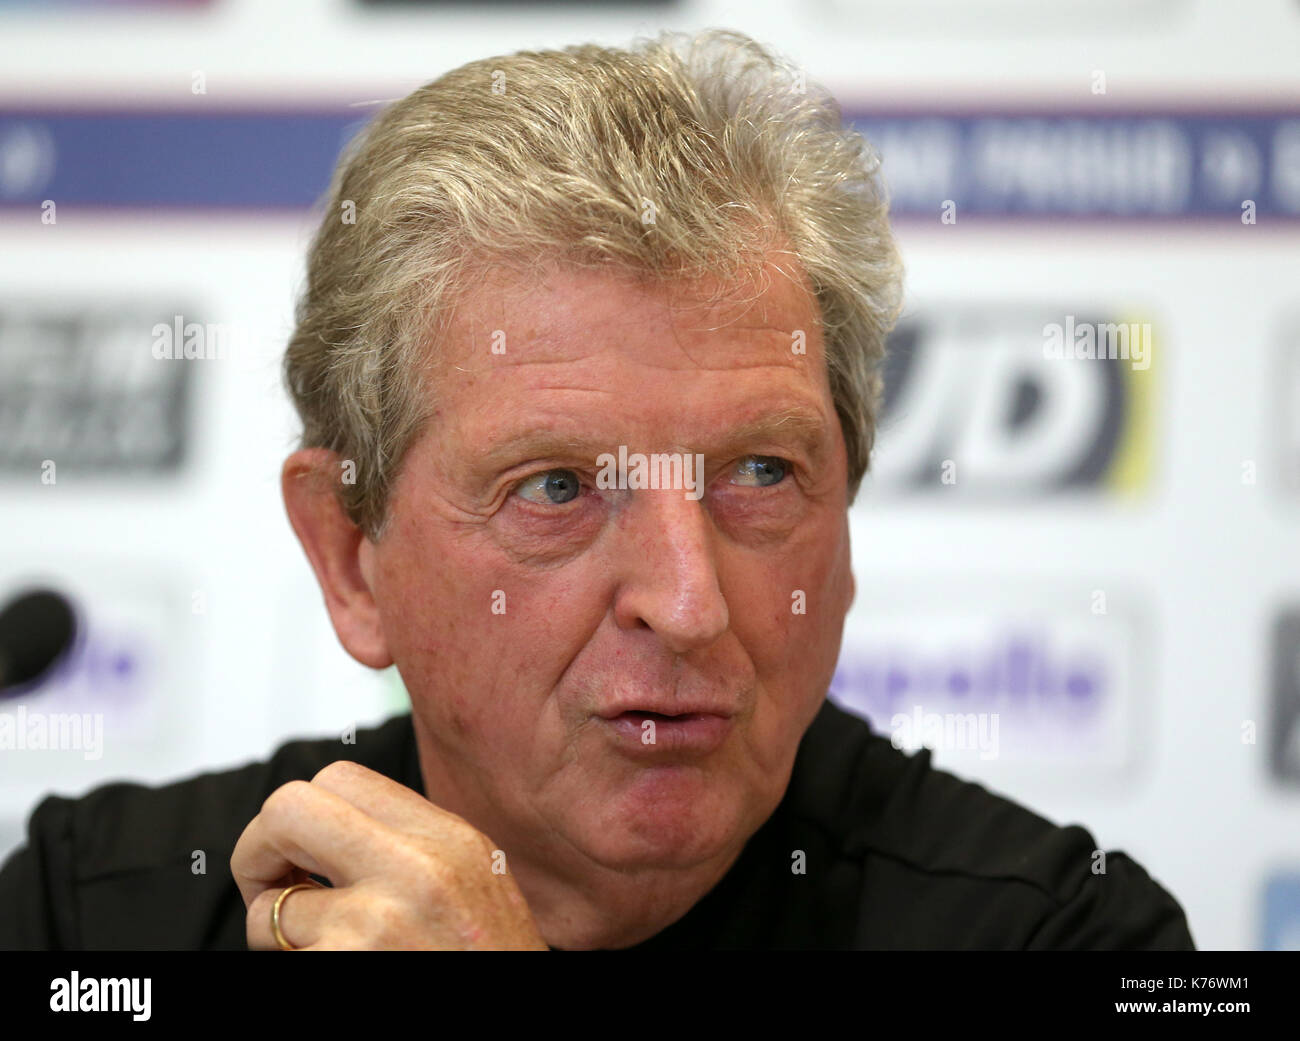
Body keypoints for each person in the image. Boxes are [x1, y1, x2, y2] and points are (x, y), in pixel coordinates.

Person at [0, 29, 1194, 951]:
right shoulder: (96, 911)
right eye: (558, 486)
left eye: (761, 473)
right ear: (351, 556)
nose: (688, 605)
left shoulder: (1068, 935)